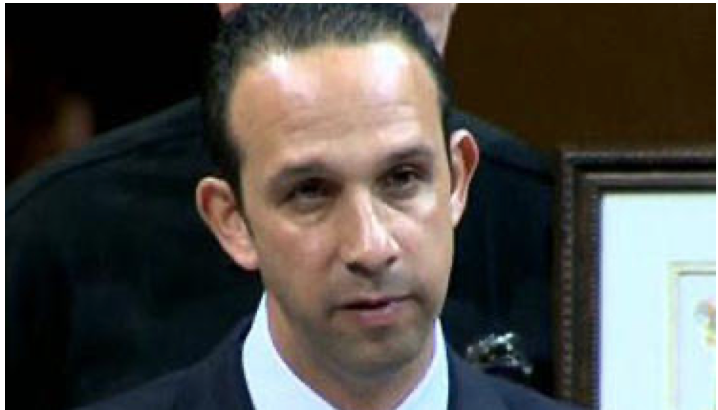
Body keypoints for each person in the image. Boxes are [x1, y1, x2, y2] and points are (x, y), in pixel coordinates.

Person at [7, 4, 554, 410]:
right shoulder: (47, 229)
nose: (370, 247)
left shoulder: (542, 214)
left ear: (457, 180)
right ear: (231, 220)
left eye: (403, 178)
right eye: (310, 191)